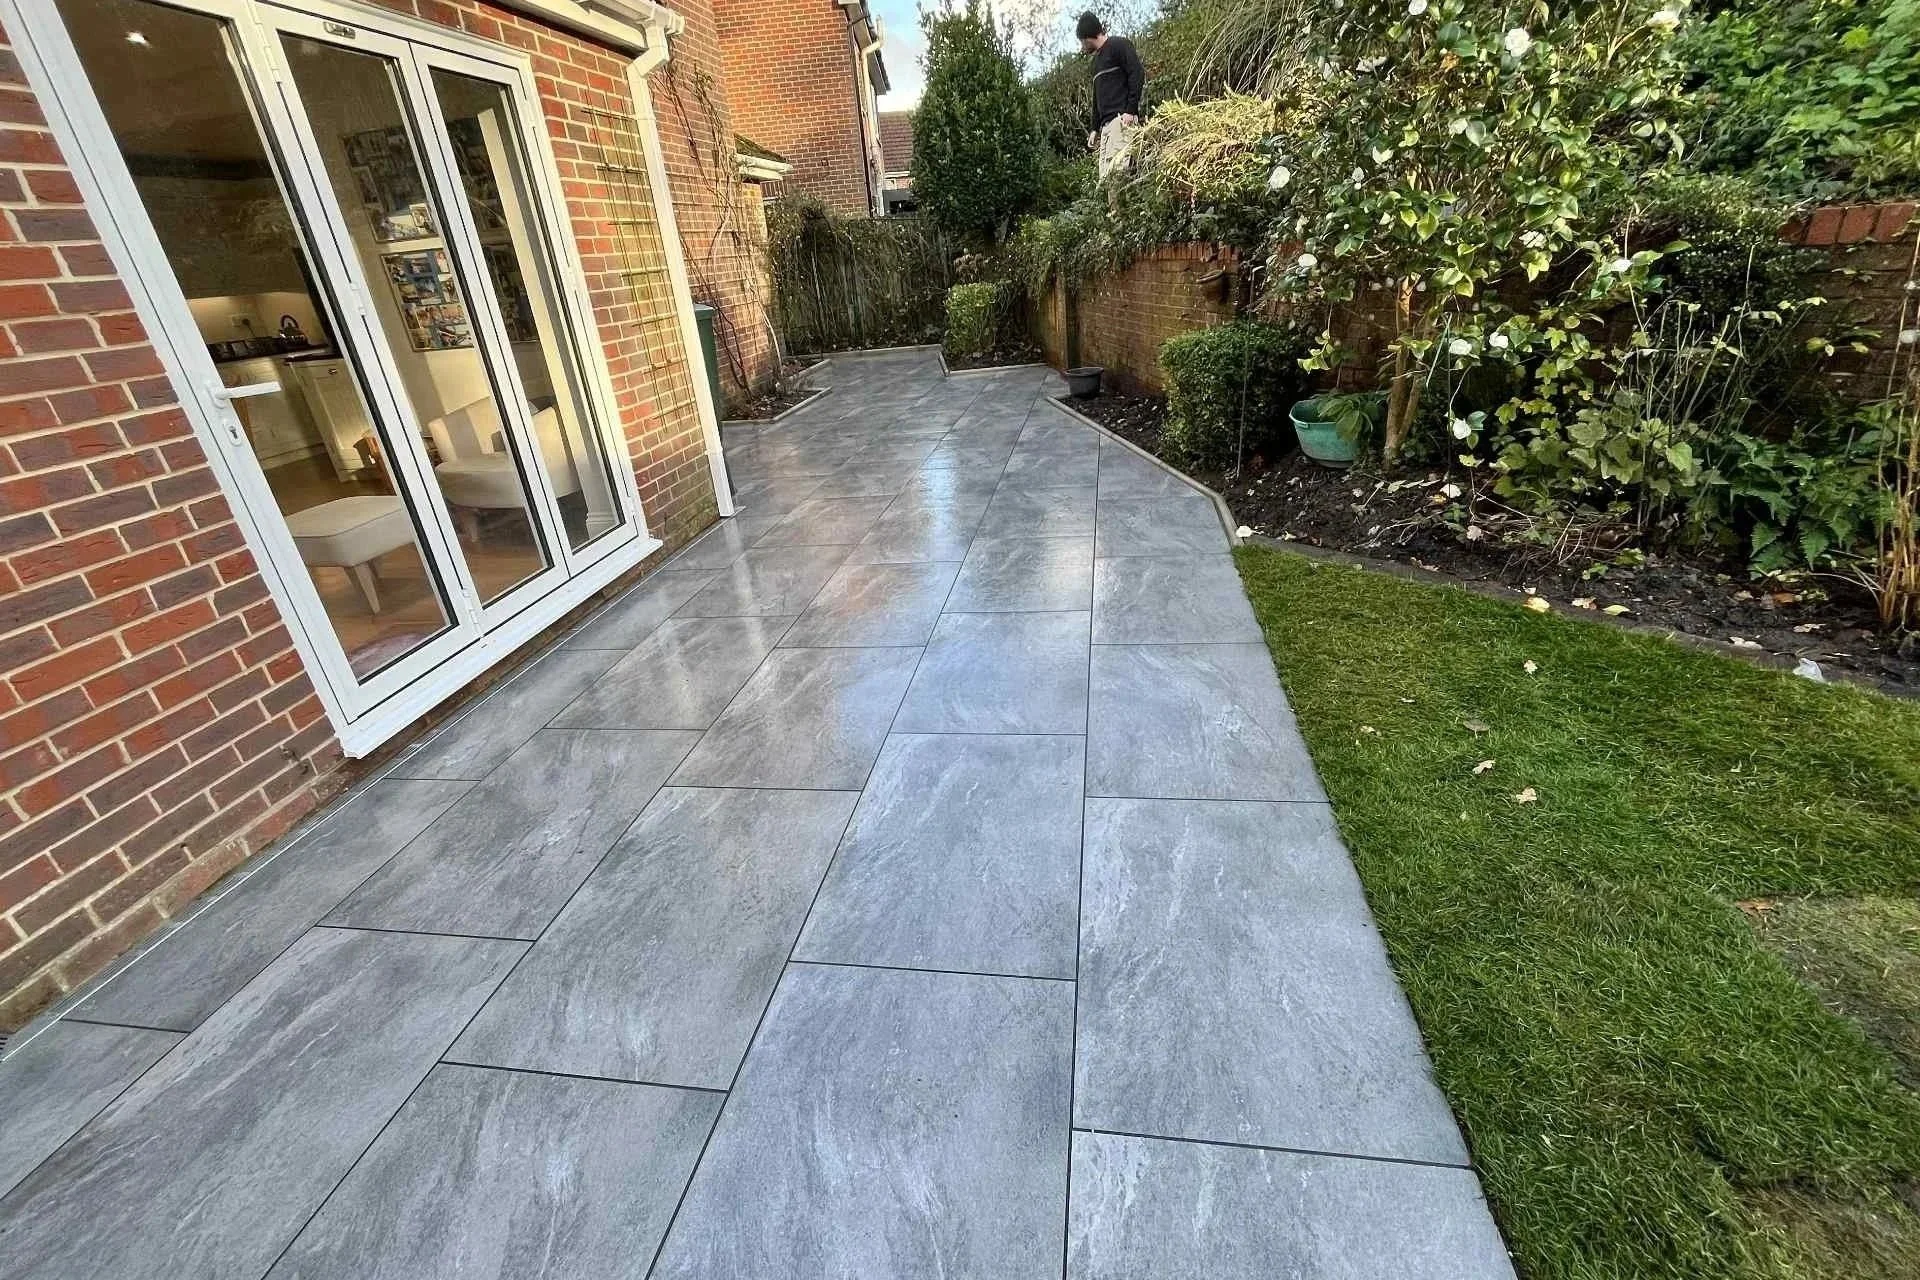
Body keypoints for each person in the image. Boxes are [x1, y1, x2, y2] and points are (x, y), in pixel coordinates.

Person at [1078, 11, 1144, 179]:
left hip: (1121, 121)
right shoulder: (1095, 63)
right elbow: (1096, 98)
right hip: (1106, 128)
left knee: (1118, 178)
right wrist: (1094, 128)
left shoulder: (1119, 45)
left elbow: (1136, 73)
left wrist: (1130, 110)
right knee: (1106, 182)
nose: (1082, 47)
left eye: (1081, 42)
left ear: (1087, 37)